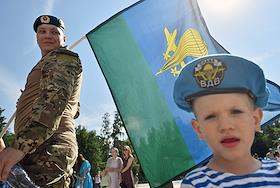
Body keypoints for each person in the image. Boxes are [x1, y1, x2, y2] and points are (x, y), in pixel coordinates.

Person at [173, 54, 280, 187]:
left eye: (236, 112)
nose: (225, 125)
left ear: (256, 119)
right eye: (210, 116)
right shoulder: (196, 184)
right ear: (198, 129)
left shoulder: (277, 172)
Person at [0, 15, 82, 187]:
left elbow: (54, 102)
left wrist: (19, 146)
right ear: (36, 37)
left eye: (54, 32)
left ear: (64, 38)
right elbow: (74, 108)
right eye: (42, 31)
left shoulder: (62, 57)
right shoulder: (46, 63)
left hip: (48, 145)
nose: (47, 35)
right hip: (36, 145)